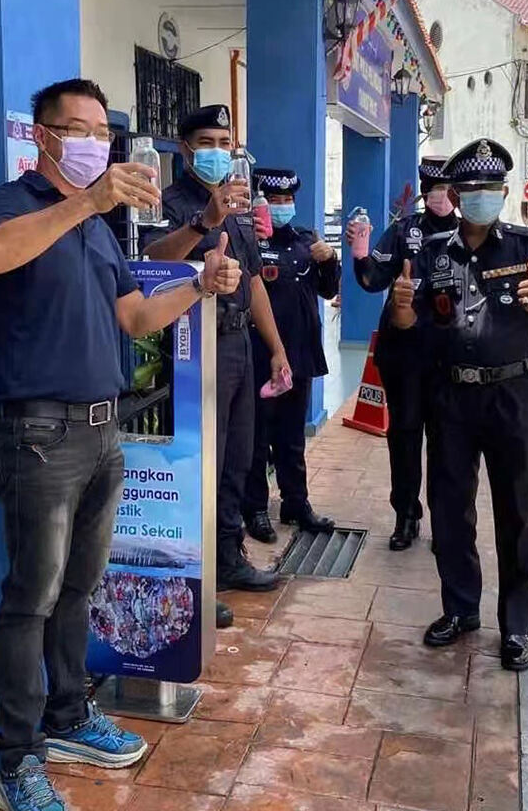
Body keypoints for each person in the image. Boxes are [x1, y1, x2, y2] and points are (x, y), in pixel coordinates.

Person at [0, 79, 244, 811]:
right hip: (37, 436)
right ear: (43, 135)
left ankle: (67, 716)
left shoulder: (97, 229)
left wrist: (200, 286)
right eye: (78, 127)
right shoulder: (15, 204)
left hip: (99, 433)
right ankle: (17, 764)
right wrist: (88, 202)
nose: (95, 141)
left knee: (77, 591)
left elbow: (135, 317)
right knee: (30, 598)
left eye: (102, 129)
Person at [386, 137, 528, 671]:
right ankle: (460, 608)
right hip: (450, 395)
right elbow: (412, 326)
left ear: (504, 191)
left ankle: (516, 627)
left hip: (512, 395)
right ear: (453, 191)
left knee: (518, 510)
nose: (479, 197)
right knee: (449, 507)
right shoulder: (430, 252)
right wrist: (402, 311)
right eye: (469, 189)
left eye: (489, 188)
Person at [140, 105, 290, 603]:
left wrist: (276, 347)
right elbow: (152, 258)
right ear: (185, 150)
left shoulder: (240, 206)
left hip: (239, 343)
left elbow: (252, 281)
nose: (217, 152)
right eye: (206, 142)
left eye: (224, 143)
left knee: (240, 456)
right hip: (194, 346)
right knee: (205, 456)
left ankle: (228, 556)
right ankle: (196, 572)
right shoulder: (170, 202)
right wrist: (206, 220)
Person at [348, 157, 458, 550]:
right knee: (405, 435)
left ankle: (447, 523)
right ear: (425, 193)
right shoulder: (404, 231)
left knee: (447, 442)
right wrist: (360, 253)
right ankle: (406, 515)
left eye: (447, 191)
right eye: (433, 191)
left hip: (451, 358)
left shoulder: (470, 234)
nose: (439, 198)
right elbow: (372, 279)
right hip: (405, 356)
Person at [242, 168, 340, 543]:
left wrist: (330, 259)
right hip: (260, 357)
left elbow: (328, 290)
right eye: (274, 200)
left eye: (287, 201)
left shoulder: (305, 241)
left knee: (291, 437)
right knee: (256, 438)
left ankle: (296, 503)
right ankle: (254, 508)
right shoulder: (249, 239)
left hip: (298, 357)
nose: (282, 207)